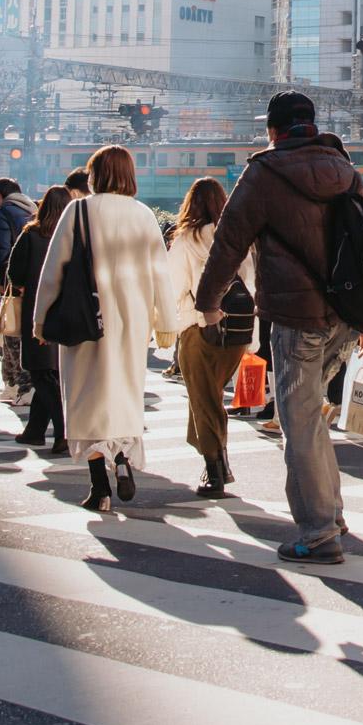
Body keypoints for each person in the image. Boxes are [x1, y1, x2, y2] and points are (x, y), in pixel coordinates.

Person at [194, 91, 363, 565]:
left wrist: (207, 304)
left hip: (296, 318)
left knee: (299, 423)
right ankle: (330, 512)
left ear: (273, 130)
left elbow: (228, 245)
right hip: (344, 315)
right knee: (312, 419)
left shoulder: (264, 172)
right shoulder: (344, 168)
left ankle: (317, 534)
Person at [34, 143, 176, 513]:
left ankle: (99, 489)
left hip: (83, 319)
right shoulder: (144, 215)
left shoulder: (77, 210)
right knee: (124, 392)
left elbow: (54, 271)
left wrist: (39, 318)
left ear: (94, 176)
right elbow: (161, 272)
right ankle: (123, 458)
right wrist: (167, 323)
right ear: (130, 175)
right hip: (132, 320)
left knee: (85, 398)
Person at [168, 176, 254, 497]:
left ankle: (214, 470)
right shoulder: (236, 238)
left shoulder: (185, 241)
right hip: (237, 332)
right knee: (212, 395)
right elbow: (252, 283)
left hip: (198, 329)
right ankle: (222, 461)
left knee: (202, 400)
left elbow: (173, 289)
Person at [9, 185, 70, 453]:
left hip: (37, 309)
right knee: (50, 372)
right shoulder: (72, 237)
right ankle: (34, 430)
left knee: (40, 372)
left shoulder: (31, 235)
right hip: (66, 312)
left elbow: (15, 274)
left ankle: (62, 431)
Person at [0, 177, 37, 401]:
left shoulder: (3, 212)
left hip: (14, 277)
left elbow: (1, 248)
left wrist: (1, 279)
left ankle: (19, 385)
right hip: (33, 276)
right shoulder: (33, 208)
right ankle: (14, 384)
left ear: (0, 196)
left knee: (11, 332)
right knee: (20, 330)